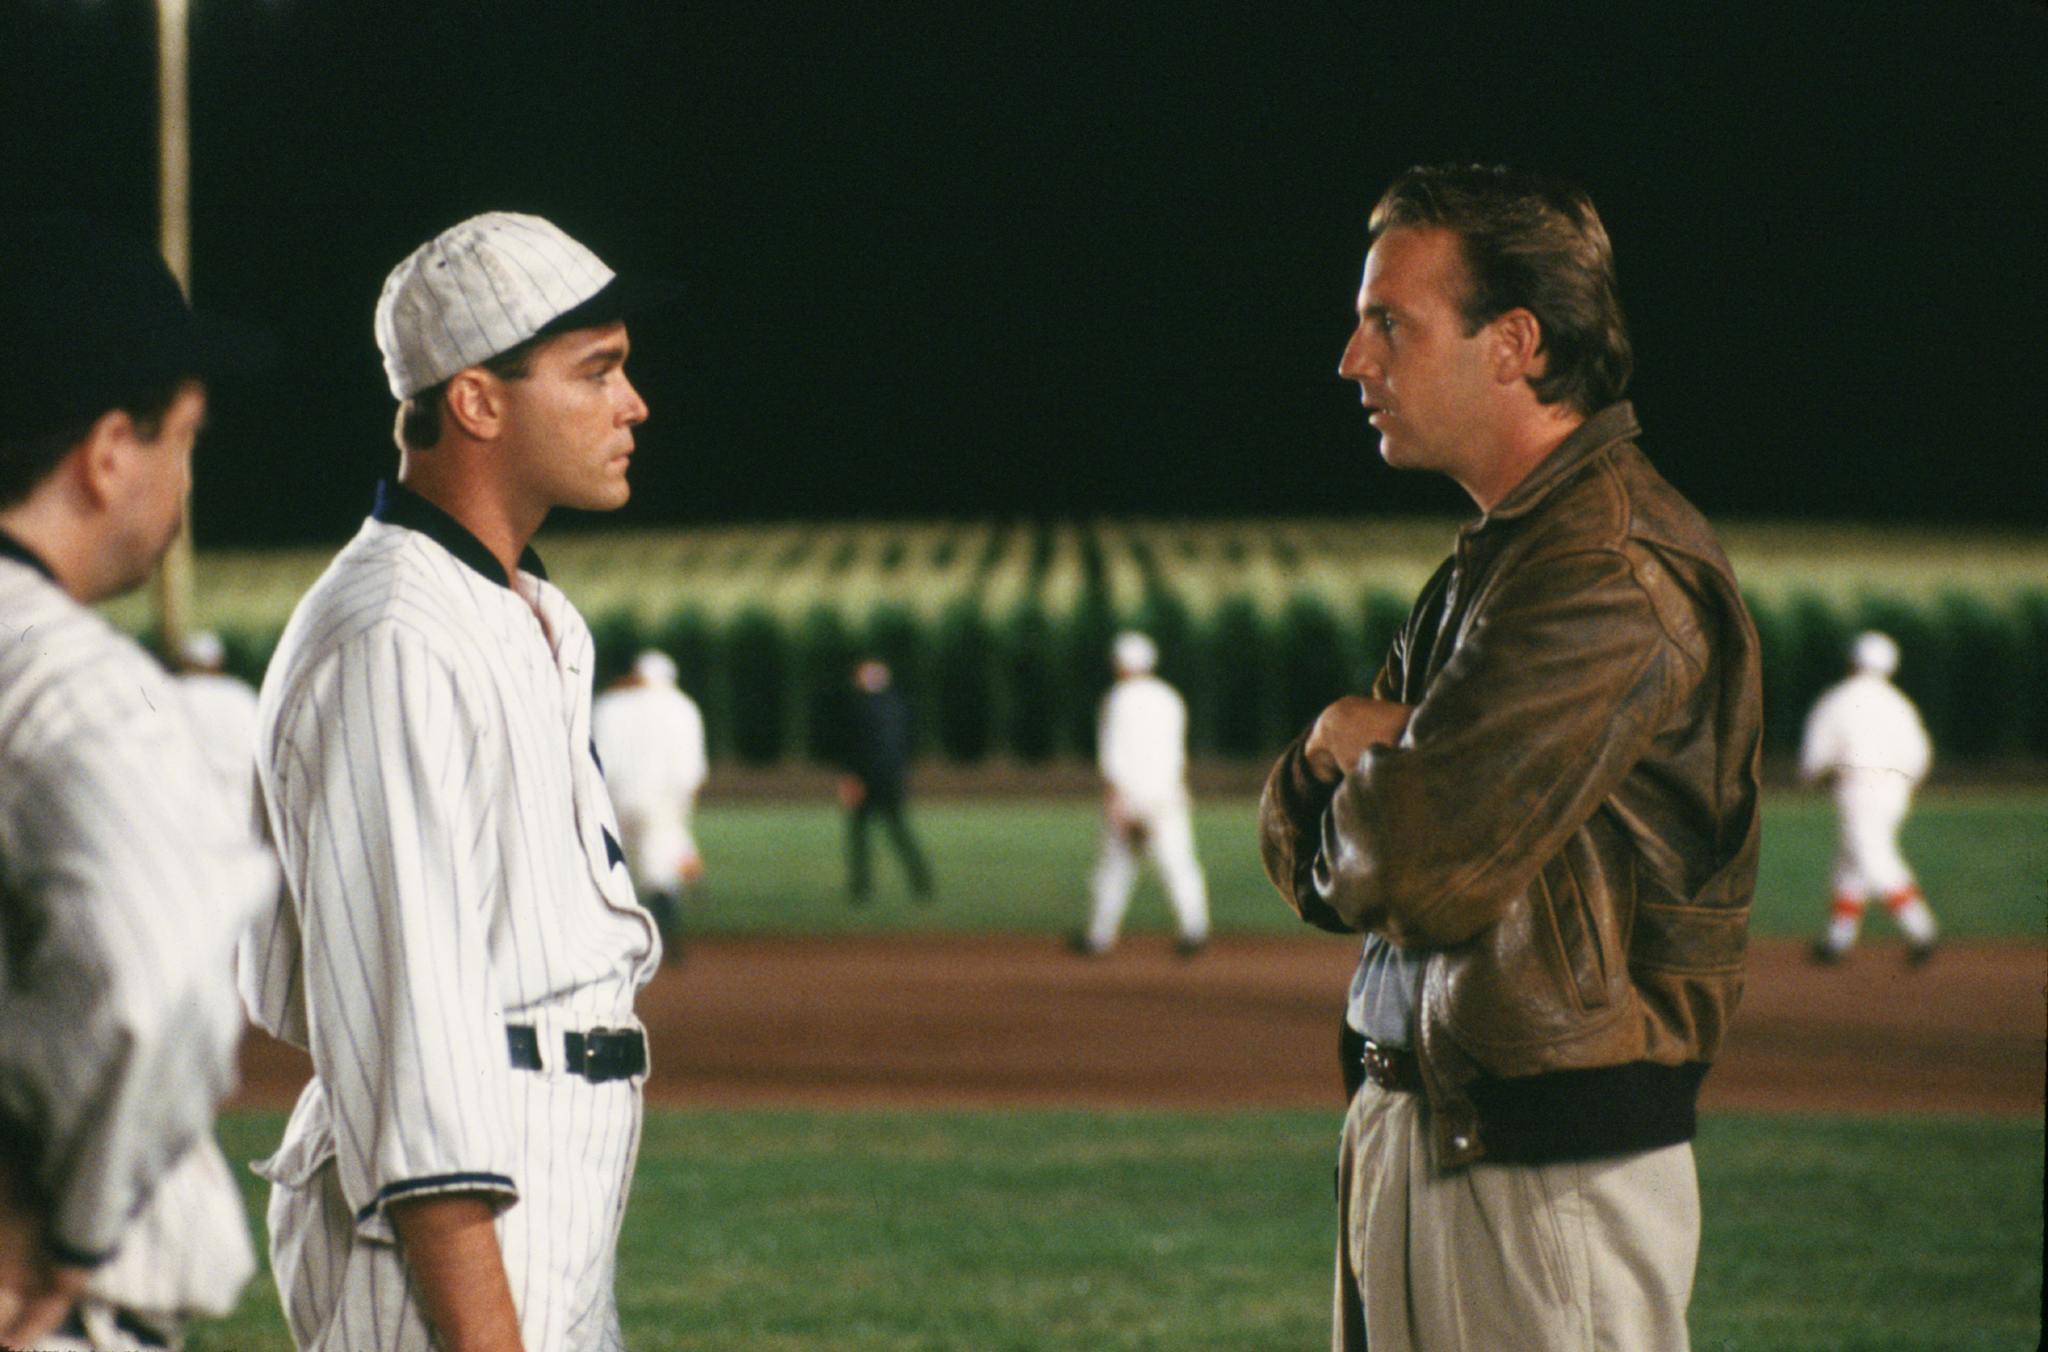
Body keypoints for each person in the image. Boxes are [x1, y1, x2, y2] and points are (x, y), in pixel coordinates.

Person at [1257, 165, 1762, 1352]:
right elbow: (1300, 843)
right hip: (1430, 1128)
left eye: (1389, 322)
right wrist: (1348, 743)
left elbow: (1416, 868)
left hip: (1541, 1165)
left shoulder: (1605, 565)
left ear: (1514, 343)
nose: (1351, 359)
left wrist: (1364, 745)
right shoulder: (1503, 555)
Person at [239, 212, 674, 1352]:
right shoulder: (393, 634)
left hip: (537, 1178)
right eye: (598, 372)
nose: (632, 404)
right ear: (477, 401)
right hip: (451, 1214)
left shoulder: (512, 606)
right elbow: (412, 1037)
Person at [0, 214, 271, 1349]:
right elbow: (154, 980)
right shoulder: (71, 680)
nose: (183, 476)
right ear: (110, 450)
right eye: (186, 438)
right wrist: (70, 1239)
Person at [1068, 631, 1210, 957]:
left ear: (1120, 663)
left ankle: (1099, 937)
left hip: (1130, 793)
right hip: (1167, 792)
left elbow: (1113, 753)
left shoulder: (1117, 698)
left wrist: (1113, 796)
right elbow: (1177, 751)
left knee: (1114, 865)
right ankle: (1194, 929)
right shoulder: (1170, 697)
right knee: (1178, 863)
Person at [1800, 630, 1937, 965]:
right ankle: (1838, 939)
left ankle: (1922, 930)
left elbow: (1816, 753)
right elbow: (1920, 753)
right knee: (1851, 860)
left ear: (1852, 659)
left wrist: (1811, 775)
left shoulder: (1838, 699)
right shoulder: (1899, 703)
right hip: (1897, 790)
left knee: (1874, 857)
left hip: (1858, 788)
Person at [592, 648, 708, 953]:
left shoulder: (609, 705)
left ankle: (618, 939)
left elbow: (597, 757)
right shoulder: (683, 707)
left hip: (617, 796)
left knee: (615, 867)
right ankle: (667, 938)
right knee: (660, 867)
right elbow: (691, 768)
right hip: (664, 799)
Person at [835, 657, 934, 902]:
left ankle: (864, 887)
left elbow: (857, 746)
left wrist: (852, 778)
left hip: (875, 779)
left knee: (870, 835)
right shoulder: (895, 704)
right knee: (883, 834)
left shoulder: (865, 706)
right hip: (885, 779)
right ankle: (917, 883)